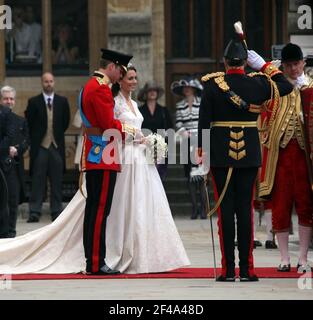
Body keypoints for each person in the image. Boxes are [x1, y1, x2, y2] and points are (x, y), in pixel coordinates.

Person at [0, 63, 190, 275]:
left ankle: (123, 254)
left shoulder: (124, 99)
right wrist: (133, 135)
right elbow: (108, 124)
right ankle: (99, 258)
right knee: (109, 207)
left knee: (129, 206)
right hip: (116, 153)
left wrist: (146, 140)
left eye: (135, 77)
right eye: (127, 76)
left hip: (132, 156)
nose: (132, 81)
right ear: (116, 74)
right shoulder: (105, 94)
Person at [198, 34, 293, 281]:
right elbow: (286, 85)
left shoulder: (211, 85)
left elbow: (203, 125)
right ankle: (247, 269)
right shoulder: (259, 84)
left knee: (225, 212)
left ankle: (228, 270)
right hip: (249, 153)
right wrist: (263, 65)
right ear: (244, 62)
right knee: (245, 211)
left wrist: (202, 155)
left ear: (225, 62)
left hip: (220, 153)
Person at [258, 43, 313, 272]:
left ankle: (302, 257)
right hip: (280, 156)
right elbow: (264, 115)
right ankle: (284, 258)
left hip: (304, 158)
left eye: (296, 64)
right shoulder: (275, 87)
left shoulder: (310, 86)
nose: (293, 69)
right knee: (280, 207)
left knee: (305, 206)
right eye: (289, 65)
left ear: (303, 64)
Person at [25, 72, 70, 223]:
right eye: (46, 81)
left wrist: (55, 138)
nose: (49, 84)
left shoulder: (62, 102)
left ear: (54, 82)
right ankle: (34, 211)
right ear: (42, 83)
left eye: (51, 81)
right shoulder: (33, 102)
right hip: (40, 148)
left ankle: (56, 211)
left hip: (56, 146)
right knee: (38, 180)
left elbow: (65, 122)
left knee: (57, 180)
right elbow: (29, 123)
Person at [172, 77, 207, 219]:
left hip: (200, 142)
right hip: (187, 142)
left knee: (201, 175)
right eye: (184, 88)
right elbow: (178, 123)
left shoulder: (202, 103)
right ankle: (194, 208)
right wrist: (183, 132)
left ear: (194, 89)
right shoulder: (180, 105)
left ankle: (204, 209)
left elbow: (205, 121)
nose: (186, 90)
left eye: (188, 87)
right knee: (190, 176)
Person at [0, 86, 29, 237]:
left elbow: (27, 140)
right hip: (0, 165)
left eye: (11, 99)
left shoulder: (20, 121)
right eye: (6, 98)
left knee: (12, 200)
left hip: (13, 166)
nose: (9, 101)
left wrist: (17, 150)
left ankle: (11, 233)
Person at [138, 81, 173, 181]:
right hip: (144, 148)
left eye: (154, 90)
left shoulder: (163, 110)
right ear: (146, 93)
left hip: (161, 149)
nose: (152, 92)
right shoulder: (140, 110)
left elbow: (170, 129)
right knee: (145, 177)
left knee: (159, 177)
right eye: (150, 90)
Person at [0, 105, 13, 238]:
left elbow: (8, 137)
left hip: (2, 162)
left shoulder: (5, 113)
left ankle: (4, 234)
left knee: (3, 200)